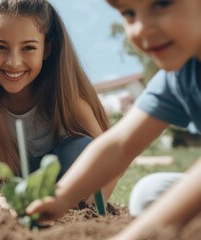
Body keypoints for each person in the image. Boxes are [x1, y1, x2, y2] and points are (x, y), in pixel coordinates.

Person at [26, 0, 201, 239]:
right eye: (129, 13)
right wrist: (62, 196)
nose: (140, 28)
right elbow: (119, 145)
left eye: (161, 4)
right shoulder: (180, 77)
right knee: (149, 193)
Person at [0, 0, 116, 215]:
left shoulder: (67, 96)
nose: (14, 62)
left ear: (47, 49)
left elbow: (110, 157)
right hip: (1, 186)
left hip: (61, 190)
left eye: (28, 48)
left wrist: (89, 210)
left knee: (82, 147)